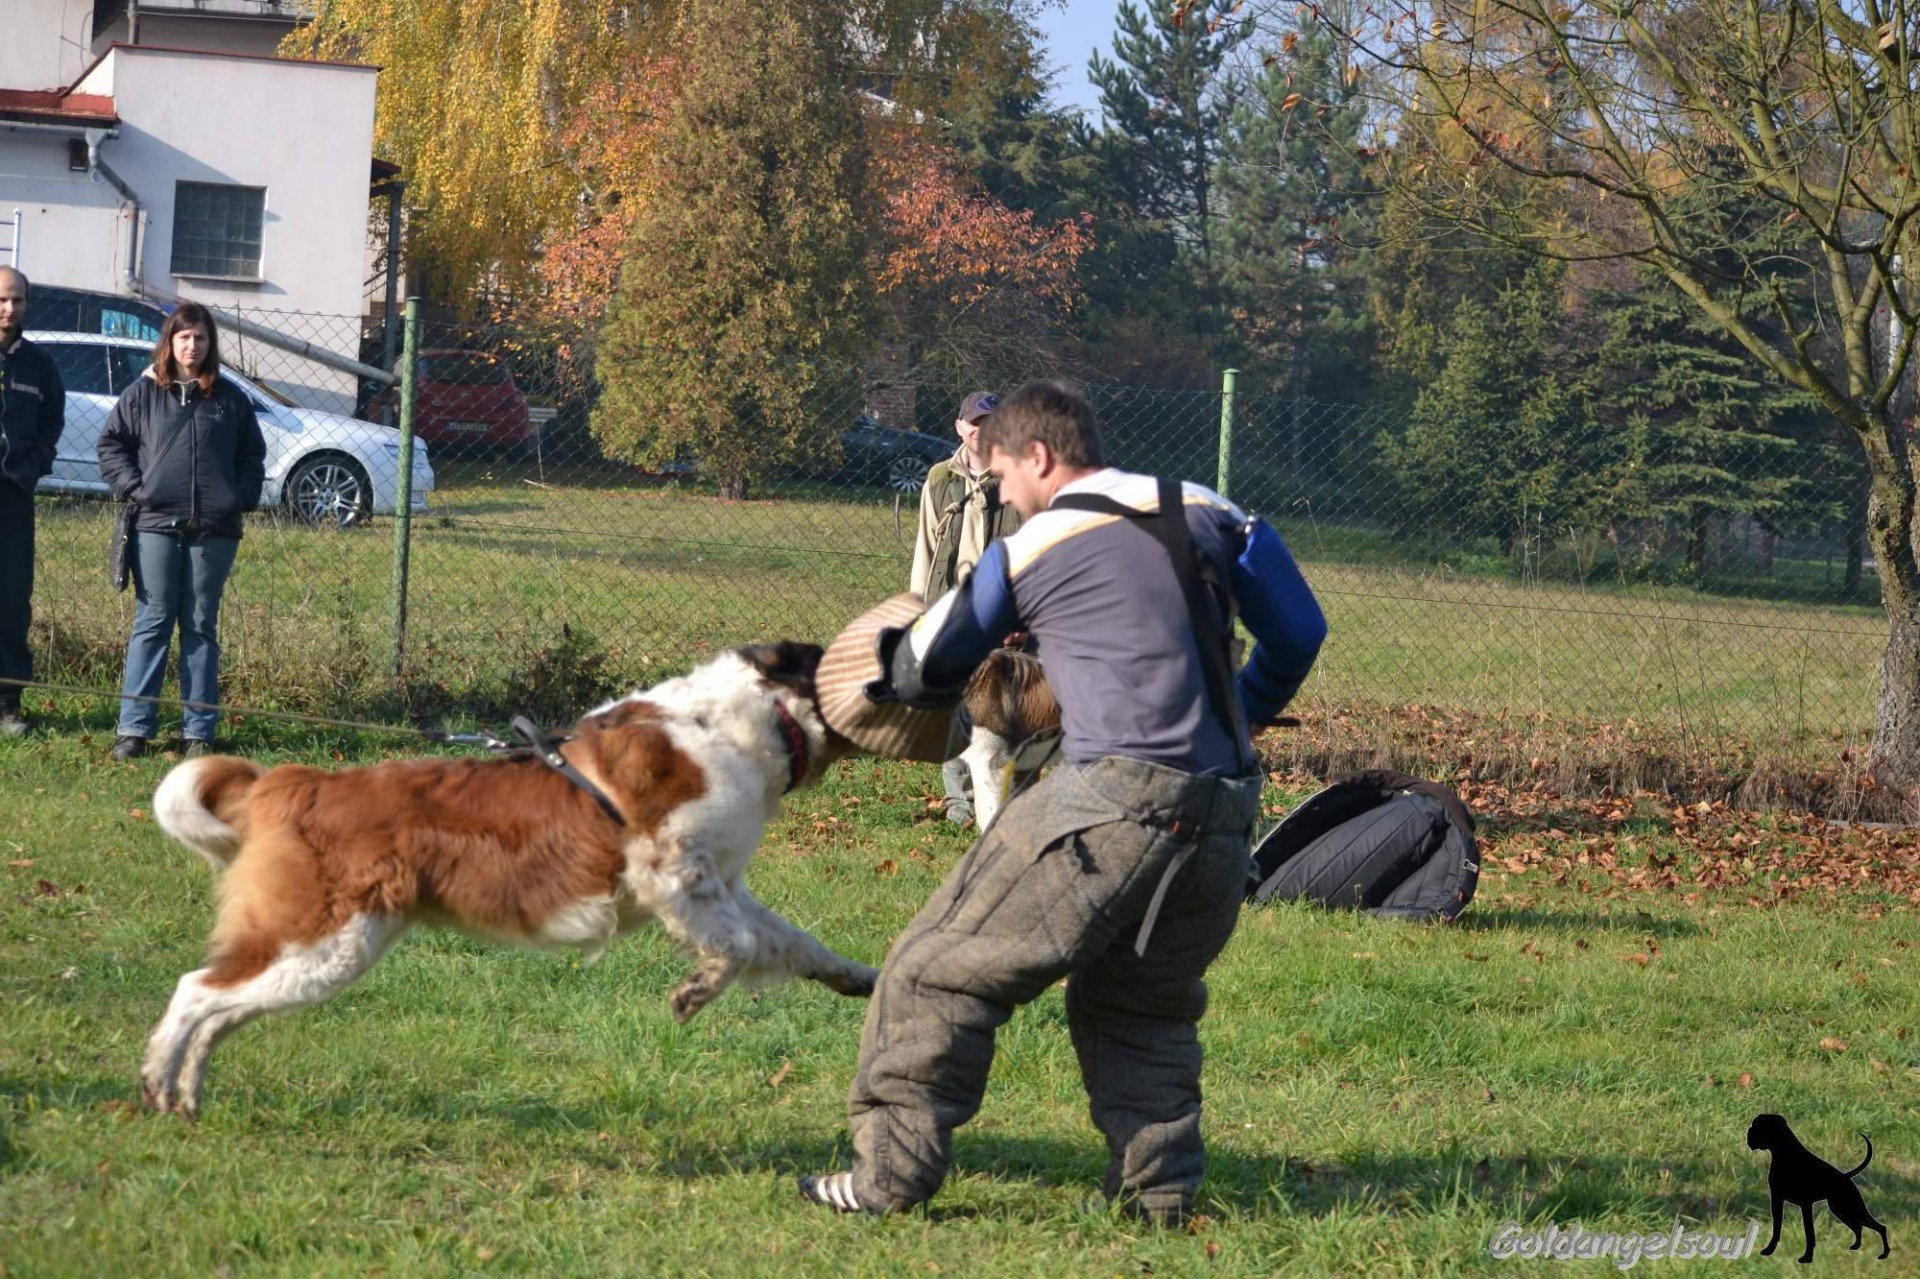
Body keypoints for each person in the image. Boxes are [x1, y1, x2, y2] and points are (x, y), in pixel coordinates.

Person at [801, 380, 1328, 1222]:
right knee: (1140, 1006)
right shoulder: (1212, 510)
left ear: (1039, 456)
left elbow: (926, 663)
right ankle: (1159, 1196)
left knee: (932, 968)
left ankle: (886, 1177)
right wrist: (1246, 704)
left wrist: (874, 670)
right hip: (1226, 813)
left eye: (1004, 475)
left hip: (1114, 800)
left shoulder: (1033, 544)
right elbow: (1300, 630)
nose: (1004, 495)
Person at [98, 303, 265, 760]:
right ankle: (134, 729)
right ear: (170, 342)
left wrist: (239, 497)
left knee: (200, 625)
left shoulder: (231, 400)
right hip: (154, 525)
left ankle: (198, 733)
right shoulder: (142, 394)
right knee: (152, 623)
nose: (192, 345)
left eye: (201, 337)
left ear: (211, 344)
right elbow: (111, 445)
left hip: (214, 530)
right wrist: (136, 488)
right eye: (184, 336)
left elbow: (252, 456)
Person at [909, 389, 1024, 824]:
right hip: (951, 608)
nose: (982, 430)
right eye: (975, 422)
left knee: (999, 709)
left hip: (1002, 614)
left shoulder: (1019, 478)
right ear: (960, 427)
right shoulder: (940, 478)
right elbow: (925, 545)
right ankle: (959, 802)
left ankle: (993, 796)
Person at [0, 266, 66, 736]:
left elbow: (52, 422)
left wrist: (34, 465)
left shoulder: (40, 365)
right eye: (2, 299)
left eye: (17, 300)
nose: (9, 309)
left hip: (14, 495)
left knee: (10, 598)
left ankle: (7, 703)